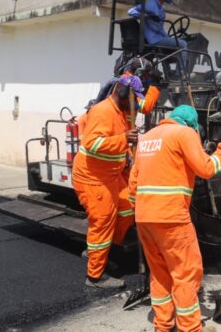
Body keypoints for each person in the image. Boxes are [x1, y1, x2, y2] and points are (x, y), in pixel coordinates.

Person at [129, 105, 221, 332]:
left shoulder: (147, 138)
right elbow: (206, 169)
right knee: (186, 272)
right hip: (171, 217)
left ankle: (163, 325)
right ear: (191, 124)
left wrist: (143, 209)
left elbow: (133, 184)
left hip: (144, 217)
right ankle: (191, 328)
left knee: (159, 274)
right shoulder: (184, 133)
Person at [72, 75, 143, 288]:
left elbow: (142, 109)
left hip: (111, 176)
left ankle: (103, 252)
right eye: (133, 98)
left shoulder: (122, 111)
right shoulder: (103, 111)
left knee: (128, 207)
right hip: (92, 178)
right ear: (122, 93)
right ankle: (95, 276)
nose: (135, 103)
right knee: (102, 221)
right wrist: (124, 140)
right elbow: (93, 144)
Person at [127, 0, 189, 73]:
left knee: (176, 43)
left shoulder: (160, 8)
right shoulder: (151, 4)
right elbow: (131, 11)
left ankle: (169, 73)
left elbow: (160, 28)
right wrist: (146, 16)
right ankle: (180, 74)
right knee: (183, 44)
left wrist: (168, 38)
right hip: (154, 39)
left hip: (158, 37)